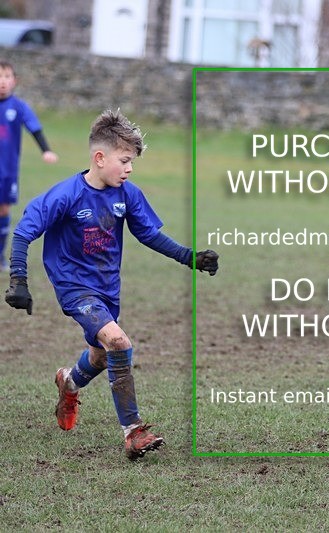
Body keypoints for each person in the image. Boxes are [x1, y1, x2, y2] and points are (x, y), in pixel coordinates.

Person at [4, 109, 219, 460]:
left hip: (107, 287)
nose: (130, 168)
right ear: (100, 158)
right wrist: (18, 279)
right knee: (119, 341)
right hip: (74, 286)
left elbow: (149, 234)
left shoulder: (127, 195)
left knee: (103, 354)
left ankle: (69, 383)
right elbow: (24, 232)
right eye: (125, 160)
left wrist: (190, 257)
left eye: (132, 161)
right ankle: (133, 431)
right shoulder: (65, 195)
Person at [0, 60, 59, 271]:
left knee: (3, 210)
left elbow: (34, 128)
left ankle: (0, 256)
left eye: (7, 77)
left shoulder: (18, 106)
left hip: (6, 171)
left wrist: (46, 150)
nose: (2, 82)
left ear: (14, 81)